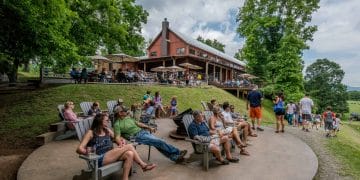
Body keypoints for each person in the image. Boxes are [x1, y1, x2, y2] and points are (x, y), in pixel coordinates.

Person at [76, 113, 156, 180]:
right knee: (129, 146)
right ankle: (143, 165)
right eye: (106, 120)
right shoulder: (90, 133)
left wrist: (121, 141)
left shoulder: (107, 130)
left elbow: (117, 138)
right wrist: (88, 152)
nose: (108, 121)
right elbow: (79, 149)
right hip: (99, 159)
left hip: (111, 155)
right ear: (100, 121)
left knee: (130, 154)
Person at [113, 106, 187, 163]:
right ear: (120, 113)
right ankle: (177, 152)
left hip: (143, 132)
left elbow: (138, 123)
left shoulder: (128, 118)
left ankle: (175, 158)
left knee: (157, 143)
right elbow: (117, 137)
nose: (126, 111)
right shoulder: (117, 124)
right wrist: (121, 143)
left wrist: (149, 127)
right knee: (159, 141)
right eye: (124, 111)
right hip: (135, 136)